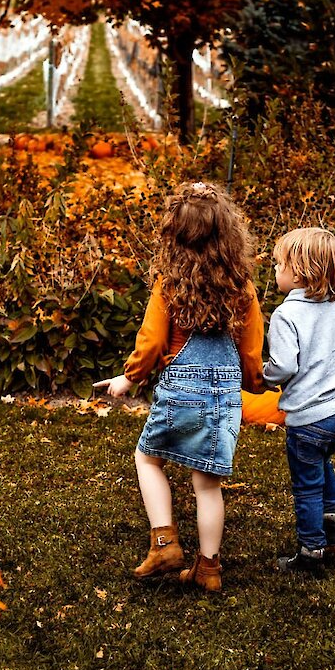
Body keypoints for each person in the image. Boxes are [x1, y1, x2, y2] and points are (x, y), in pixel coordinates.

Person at [96, 181, 265, 592]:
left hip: (182, 388)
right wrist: (256, 383)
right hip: (224, 392)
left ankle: (165, 543)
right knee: (207, 484)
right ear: (228, 234)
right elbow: (252, 347)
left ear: (174, 234)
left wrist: (131, 377)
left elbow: (152, 341)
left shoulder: (169, 285)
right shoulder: (241, 288)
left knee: (148, 459)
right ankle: (209, 568)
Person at [263, 227, 335, 574]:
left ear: (299, 272)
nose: (275, 270)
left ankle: (311, 553)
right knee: (322, 462)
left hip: (309, 419)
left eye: (279, 264)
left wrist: (263, 374)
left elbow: (284, 366)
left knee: (306, 484)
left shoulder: (285, 315)